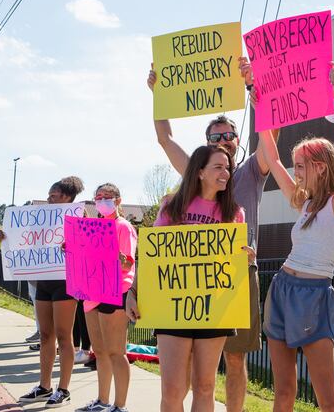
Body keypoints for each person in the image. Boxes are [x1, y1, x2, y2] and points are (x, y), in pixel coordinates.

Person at [147, 58, 272, 411]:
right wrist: (160, 95)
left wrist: (253, 88)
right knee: (182, 374)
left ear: (237, 139)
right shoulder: (193, 176)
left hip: (235, 276)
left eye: (229, 135)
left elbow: (270, 138)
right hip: (182, 284)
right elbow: (165, 138)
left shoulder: (250, 172)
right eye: (215, 138)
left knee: (234, 361)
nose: (224, 141)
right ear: (203, 158)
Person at [126, 145, 255, 412]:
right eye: (218, 167)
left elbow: (233, 265)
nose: (226, 173)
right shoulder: (172, 206)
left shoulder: (234, 213)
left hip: (215, 308)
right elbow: (153, 256)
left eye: (227, 168)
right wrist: (133, 292)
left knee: (205, 386)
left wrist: (246, 260)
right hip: (173, 307)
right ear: (199, 172)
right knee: (173, 389)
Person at [257, 62, 334, 412]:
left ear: (321, 167)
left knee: (327, 397)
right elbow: (272, 158)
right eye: (295, 165)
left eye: (301, 165)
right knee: (283, 391)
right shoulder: (305, 202)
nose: (295, 172)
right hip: (281, 289)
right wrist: (261, 112)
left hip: (314, 297)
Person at [18, 176, 84, 407]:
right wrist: (8, 240)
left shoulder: (79, 217)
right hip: (44, 279)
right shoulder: (41, 219)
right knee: (46, 335)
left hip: (66, 282)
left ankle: (63, 389)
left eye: (53, 195)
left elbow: (87, 249)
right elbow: (24, 240)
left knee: (65, 336)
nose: (49, 198)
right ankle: (44, 386)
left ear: (66, 197)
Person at [75, 183, 137, 412]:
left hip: (115, 289)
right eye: (98, 197)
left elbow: (129, 262)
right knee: (99, 351)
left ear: (118, 201)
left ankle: (120, 406)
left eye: (107, 197)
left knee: (116, 351)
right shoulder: (93, 227)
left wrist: (118, 257)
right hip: (92, 291)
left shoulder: (124, 227)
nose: (102, 201)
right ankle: (102, 401)